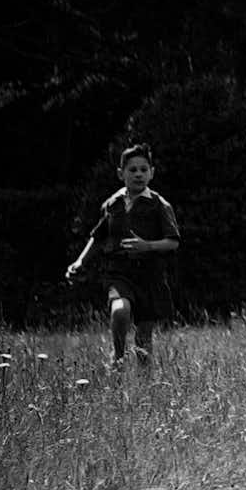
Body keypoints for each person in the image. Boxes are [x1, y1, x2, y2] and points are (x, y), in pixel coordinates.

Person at [65, 143, 181, 367]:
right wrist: (80, 262)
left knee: (144, 340)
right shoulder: (112, 204)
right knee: (120, 310)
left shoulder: (160, 205)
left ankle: (146, 386)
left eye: (143, 169)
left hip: (150, 277)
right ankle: (117, 359)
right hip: (119, 273)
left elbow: (172, 242)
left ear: (152, 173)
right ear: (121, 173)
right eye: (132, 169)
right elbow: (98, 237)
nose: (138, 174)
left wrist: (146, 246)